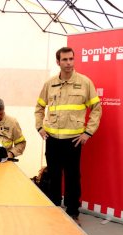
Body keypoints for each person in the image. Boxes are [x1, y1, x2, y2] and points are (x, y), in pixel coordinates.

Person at [35, 47, 102, 224]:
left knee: (73, 178)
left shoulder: (85, 82)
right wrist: (40, 128)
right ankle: (55, 209)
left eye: (71, 59)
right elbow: (39, 107)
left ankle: (73, 212)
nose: (68, 63)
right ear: (58, 62)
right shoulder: (49, 84)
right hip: (53, 140)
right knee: (54, 176)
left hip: (73, 140)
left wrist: (88, 132)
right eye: (64, 60)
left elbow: (96, 108)